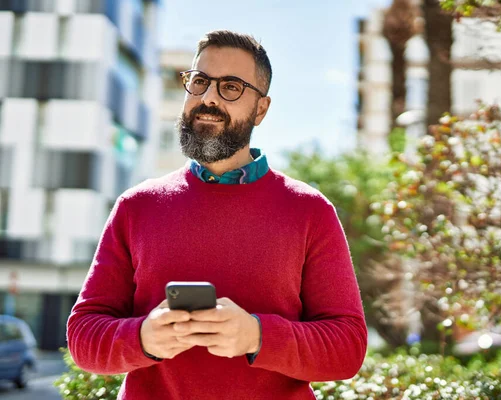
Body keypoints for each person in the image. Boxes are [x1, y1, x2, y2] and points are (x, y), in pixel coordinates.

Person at [67, 30, 367, 400]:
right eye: (200, 81)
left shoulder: (311, 211)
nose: (208, 97)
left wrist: (257, 336)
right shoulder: (136, 206)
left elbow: (347, 348)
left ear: (261, 108)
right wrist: (142, 337)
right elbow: (83, 337)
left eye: (230, 87)